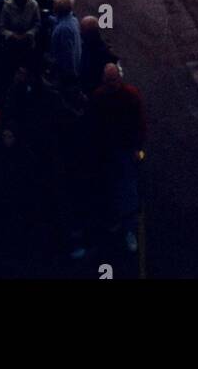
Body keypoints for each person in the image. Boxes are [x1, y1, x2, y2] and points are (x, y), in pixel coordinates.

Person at [89, 61, 146, 252]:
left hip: (119, 150)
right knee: (120, 188)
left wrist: (136, 146)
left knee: (125, 189)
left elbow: (139, 123)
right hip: (112, 151)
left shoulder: (102, 97)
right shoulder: (128, 95)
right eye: (109, 79)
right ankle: (125, 224)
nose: (112, 82)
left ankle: (127, 227)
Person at [49, 0, 81, 82]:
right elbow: (59, 20)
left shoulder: (63, 29)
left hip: (67, 73)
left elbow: (68, 54)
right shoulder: (73, 20)